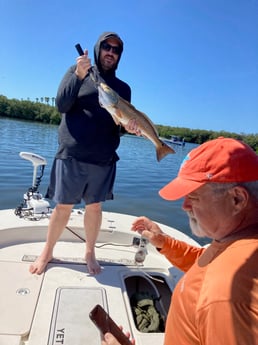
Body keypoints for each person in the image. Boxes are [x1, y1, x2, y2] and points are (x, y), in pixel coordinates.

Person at [102, 137, 258, 345]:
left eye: (193, 196)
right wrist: (164, 242)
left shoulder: (226, 295)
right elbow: (205, 262)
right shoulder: (239, 246)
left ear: (237, 199)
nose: (184, 206)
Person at [29, 31, 139, 275]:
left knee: (95, 208)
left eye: (116, 49)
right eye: (107, 47)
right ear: (98, 48)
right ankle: (47, 251)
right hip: (72, 153)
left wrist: (128, 127)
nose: (111, 52)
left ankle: (90, 252)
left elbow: (119, 125)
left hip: (103, 158)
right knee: (62, 207)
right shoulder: (77, 71)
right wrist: (78, 75)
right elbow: (61, 105)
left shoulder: (123, 88)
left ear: (120, 55)